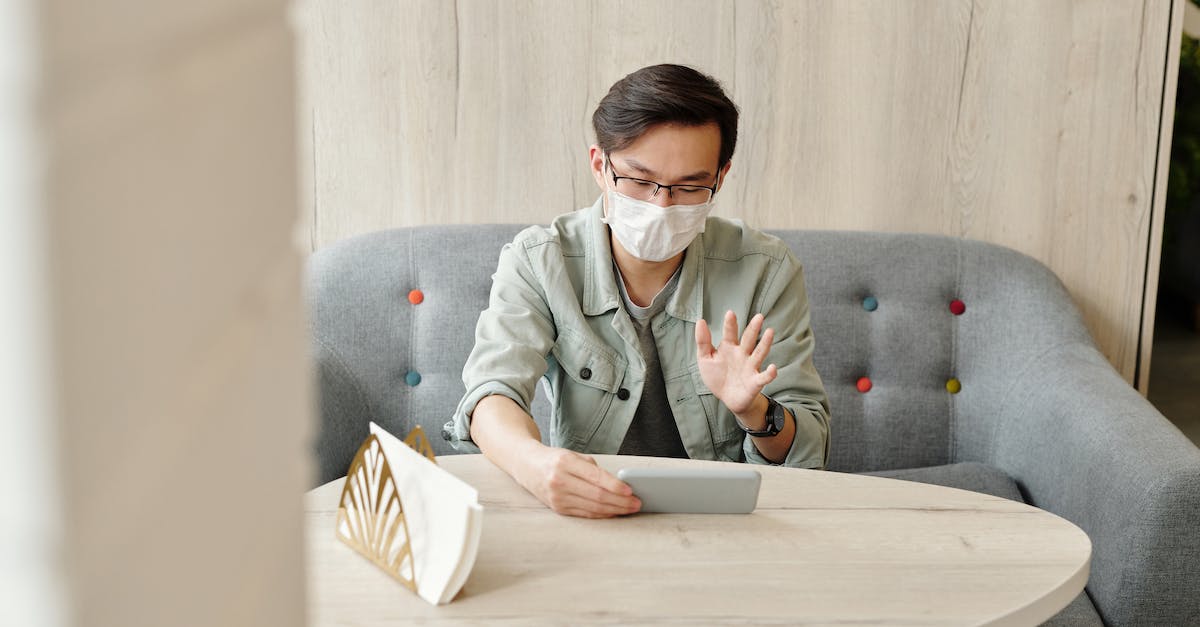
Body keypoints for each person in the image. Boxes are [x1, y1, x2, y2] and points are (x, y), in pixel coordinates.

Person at [443, 64, 830, 518]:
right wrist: (537, 465)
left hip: (720, 520)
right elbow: (493, 393)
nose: (660, 206)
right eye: (640, 181)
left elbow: (809, 451)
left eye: (689, 187)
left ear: (720, 178)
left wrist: (756, 413)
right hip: (591, 509)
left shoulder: (766, 269)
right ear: (599, 165)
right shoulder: (539, 259)